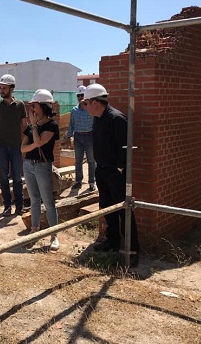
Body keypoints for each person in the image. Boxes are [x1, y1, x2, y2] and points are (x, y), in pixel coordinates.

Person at [83, 83, 140, 267]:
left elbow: (126, 148)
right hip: (102, 171)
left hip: (115, 172)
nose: (84, 106)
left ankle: (132, 250)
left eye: (86, 103)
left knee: (124, 210)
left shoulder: (116, 119)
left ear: (94, 102)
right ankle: (113, 241)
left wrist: (120, 168)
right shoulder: (97, 119)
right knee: (108, 208)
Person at [21, 89, 60, 251]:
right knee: (34, 200)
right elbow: (23, 148)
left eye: (35, 106)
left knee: (48, 202)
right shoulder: (31, 127)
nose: (32, 110)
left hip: (43, 165)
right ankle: (35, 231)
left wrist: (35, 129)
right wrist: (33, 143)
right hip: (28, 165)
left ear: (43, 106)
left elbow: (39, 141)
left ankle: (54, 235)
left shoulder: (52, 125)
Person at [0, 74, 27, 216]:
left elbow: (24, 126)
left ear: (12, 88)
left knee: (17, 177)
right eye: (0, 88)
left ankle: (19, 206)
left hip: (16, 147)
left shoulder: (20, 105)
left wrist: (27, 145)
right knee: (3, 177)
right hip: (1, 147)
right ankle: (7, 206)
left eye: (4, 88)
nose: (1, 90)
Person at [67, 85, 97, 191]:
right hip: (78, 137)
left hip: (89, 136)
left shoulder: (91, 110)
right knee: (78, 161)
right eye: (78, 96)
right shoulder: (74, 110)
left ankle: (92, 182)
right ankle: (78, 181)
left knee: (91, 161)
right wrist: (69, 137)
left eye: (82, 95)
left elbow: (96, 124)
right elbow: (71, 124)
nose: (80, 97)